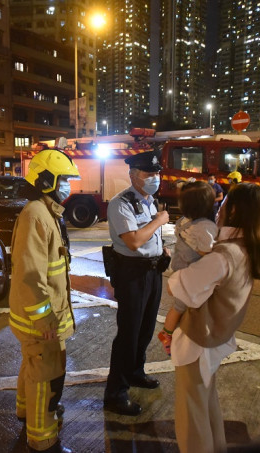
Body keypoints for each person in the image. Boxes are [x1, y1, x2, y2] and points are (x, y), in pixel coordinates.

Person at [167, 183, 260, 453]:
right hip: (217, 337)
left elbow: (183, 286)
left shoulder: (224, 256)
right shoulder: (247, 247)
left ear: (235, 209)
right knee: (207, 404)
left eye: (224, 202)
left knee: (192, 417)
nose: (219, 206)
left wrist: (178, 266)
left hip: (198, 341)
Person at [9, 149, 80, 453]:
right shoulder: (35, 214)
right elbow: (29, 275)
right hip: (39, 317)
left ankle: (27, 413)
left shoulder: (46, 212)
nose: (68, 186)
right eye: (64, 179)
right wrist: (43, 318)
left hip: (45, 314)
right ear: (47, 180)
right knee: (44, 374)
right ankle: (42, 439)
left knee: (34, 363)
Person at [103, 150, 171, 416]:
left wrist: (161, 249)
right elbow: (132, 241)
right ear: (133, 175)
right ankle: (115, 392)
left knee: (145, 328)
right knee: (128, 335)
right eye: (148, 173)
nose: (155, 177)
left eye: (157, 173)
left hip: (152, 272)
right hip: (132, 274)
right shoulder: (121, 203)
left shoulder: (149, 200)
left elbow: (149, 238)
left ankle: (135, 372)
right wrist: (158, 221)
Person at [158, 181, 218, 356]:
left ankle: (169, 332)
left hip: (180, 269)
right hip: (190, 274)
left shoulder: (184, 221)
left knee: (178, 306)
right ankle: (167, 334)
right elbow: (206, 251)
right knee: (180, 306)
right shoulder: (205, 227)